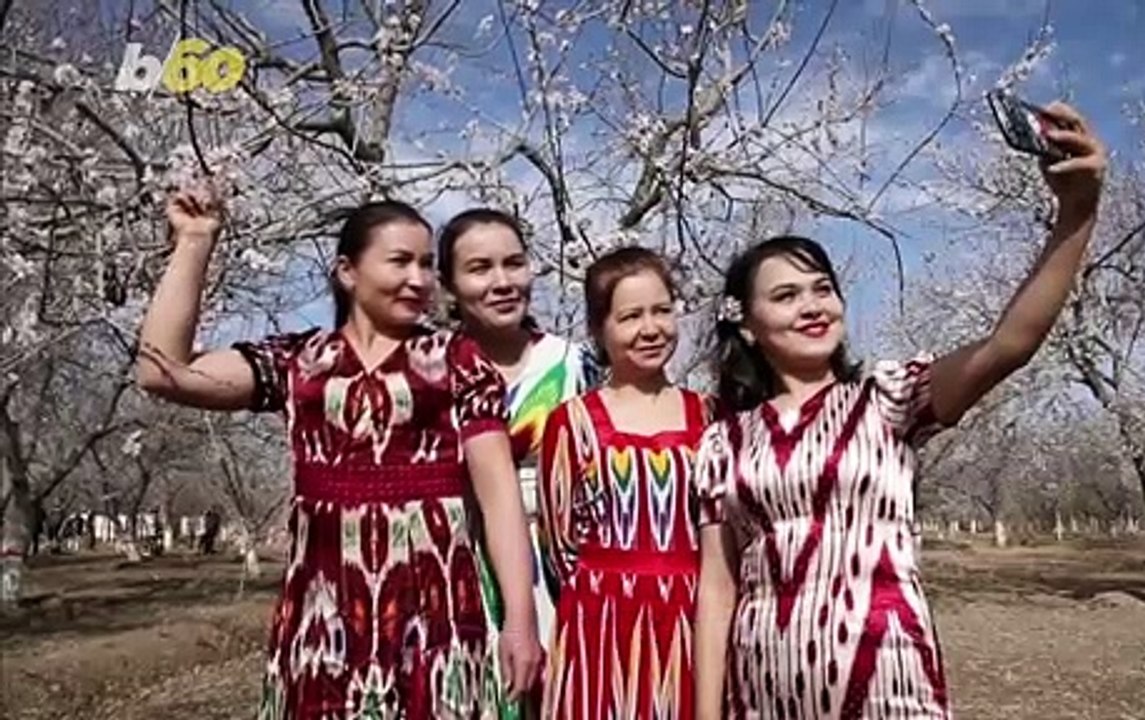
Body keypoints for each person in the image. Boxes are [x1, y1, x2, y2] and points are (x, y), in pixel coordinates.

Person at [693, 101, 1106, 719]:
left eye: (823, 288)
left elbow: (1008, 345)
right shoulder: (721, 443)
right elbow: (717, 590)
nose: (813, 306)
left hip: (889, 680)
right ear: (747, 325)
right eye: (786, 295)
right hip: (763, 690)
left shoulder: (889, 397)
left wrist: (1076, 215)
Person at [136, 184, 542, 718]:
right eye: (400, 261)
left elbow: (500, 499)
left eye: (426, 264)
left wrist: (519, 621)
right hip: (321, 624)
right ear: (347, 271)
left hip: (435, 621)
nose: (419, 279)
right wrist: (194, 241)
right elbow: (163, 371)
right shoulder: (298, 363)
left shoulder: (458, 360)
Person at [538, 247, 715, 719]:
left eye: (662, 310)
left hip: (693, 621)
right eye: (631, 316)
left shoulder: (710, 416)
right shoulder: (571, 423)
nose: (650, 328)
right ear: (600, 328)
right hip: (600, 625)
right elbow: (560, 546)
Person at [437, 208, 600, 718]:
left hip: (561, 569)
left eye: (514, 263)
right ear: (449, 285)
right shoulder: (428, 372)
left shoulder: (573, 364)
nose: (502, 282)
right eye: (479, 268)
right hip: (456, 569)